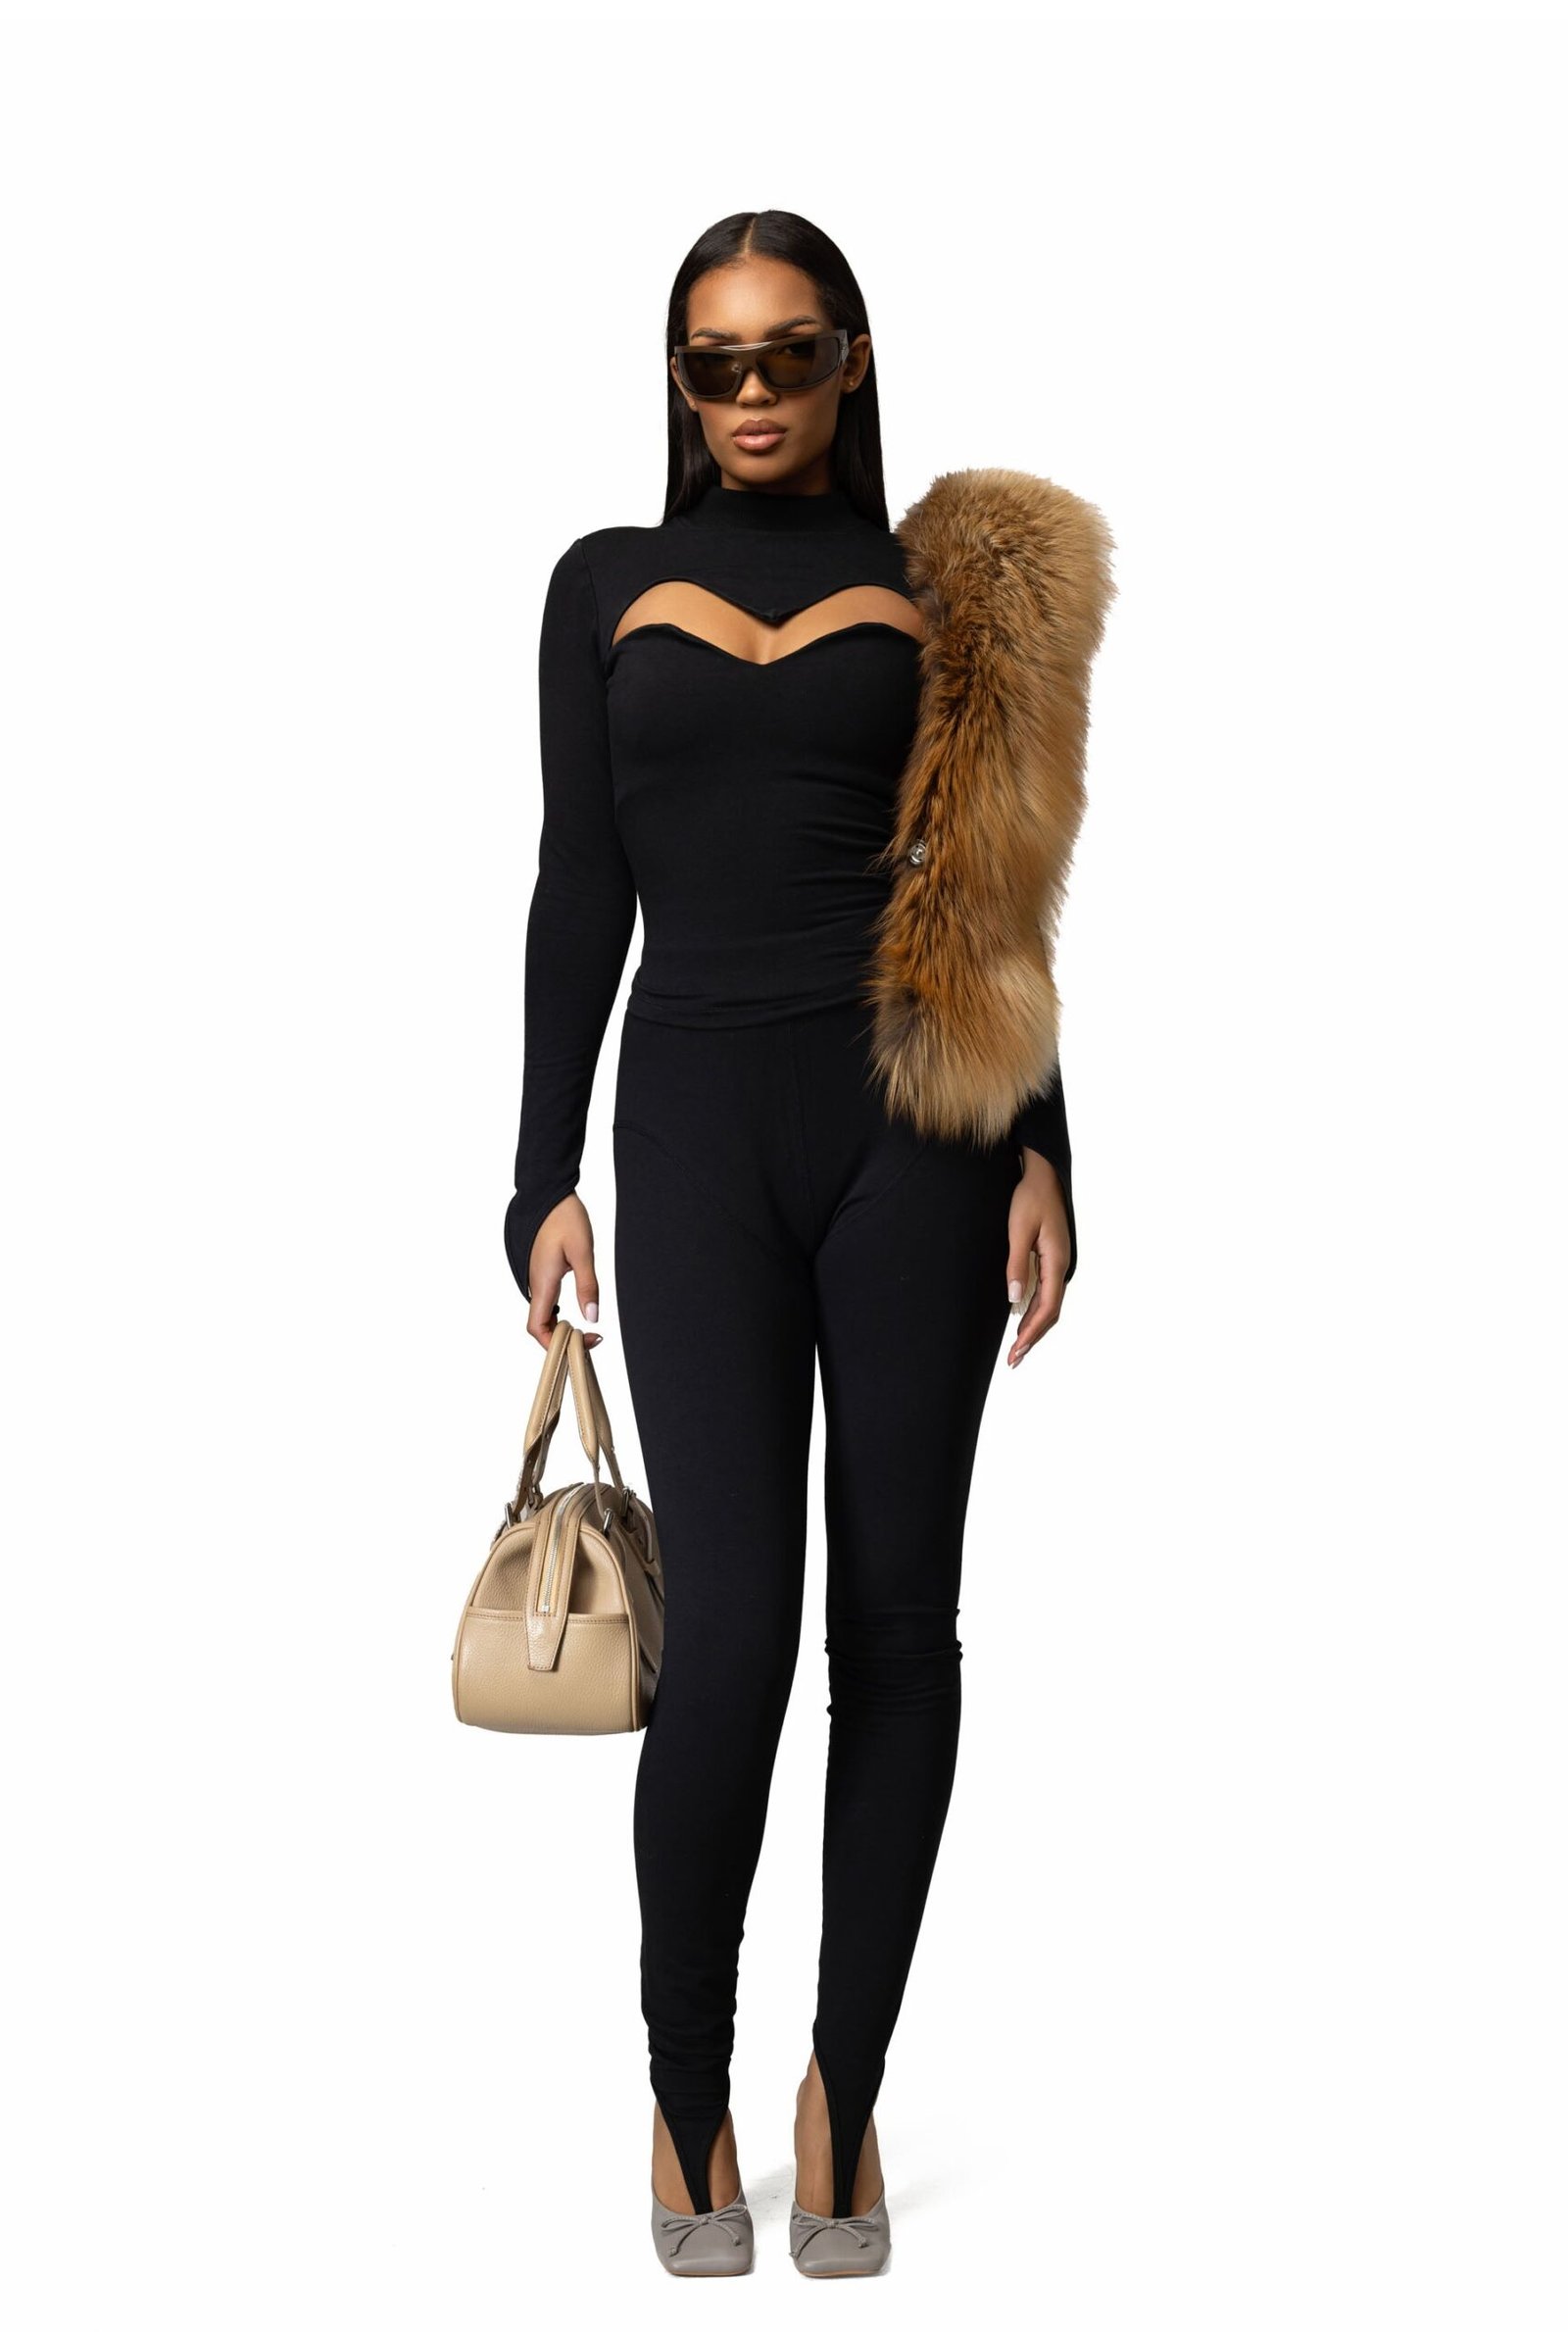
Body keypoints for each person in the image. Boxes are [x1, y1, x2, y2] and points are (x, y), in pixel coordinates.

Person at [503, 209, 1113, 2278]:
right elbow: (577, 883)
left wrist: (1045, 1144)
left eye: (786, 354)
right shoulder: (601, 584)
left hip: (911, 1132)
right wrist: (536, 1170)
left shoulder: (938, 590)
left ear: (850, 359)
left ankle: (841, 2091)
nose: (750, 393)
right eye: (714, 362)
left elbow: (989, 887)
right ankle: (684, 2091)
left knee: (899, 1629)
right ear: (677, 382)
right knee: (737, 1643)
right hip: (689, 1126)